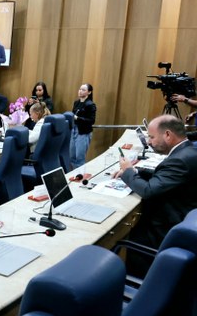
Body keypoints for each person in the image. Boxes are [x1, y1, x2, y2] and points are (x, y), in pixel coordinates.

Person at [113, 115, 197, 266]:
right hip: (178, 216)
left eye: (151, 137)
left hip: (161, 230)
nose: (148, 142)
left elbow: (148, 190)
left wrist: (127, 171)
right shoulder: (187, 150)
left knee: (116, 236)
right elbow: (167, 176)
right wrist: (136, 172)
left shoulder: (179, 159)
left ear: (168, 135)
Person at [69, 83, 96, 168]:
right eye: (80, 89)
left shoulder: (90, 104)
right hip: (74, 130)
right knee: (71, 156)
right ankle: (73, 174)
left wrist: (78, 118)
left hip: (83, 132)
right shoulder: (76, 102)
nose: (80, 91)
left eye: (83, 90)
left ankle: (80, 175)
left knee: (79, 158)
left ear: (89, 92)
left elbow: (91, 120)